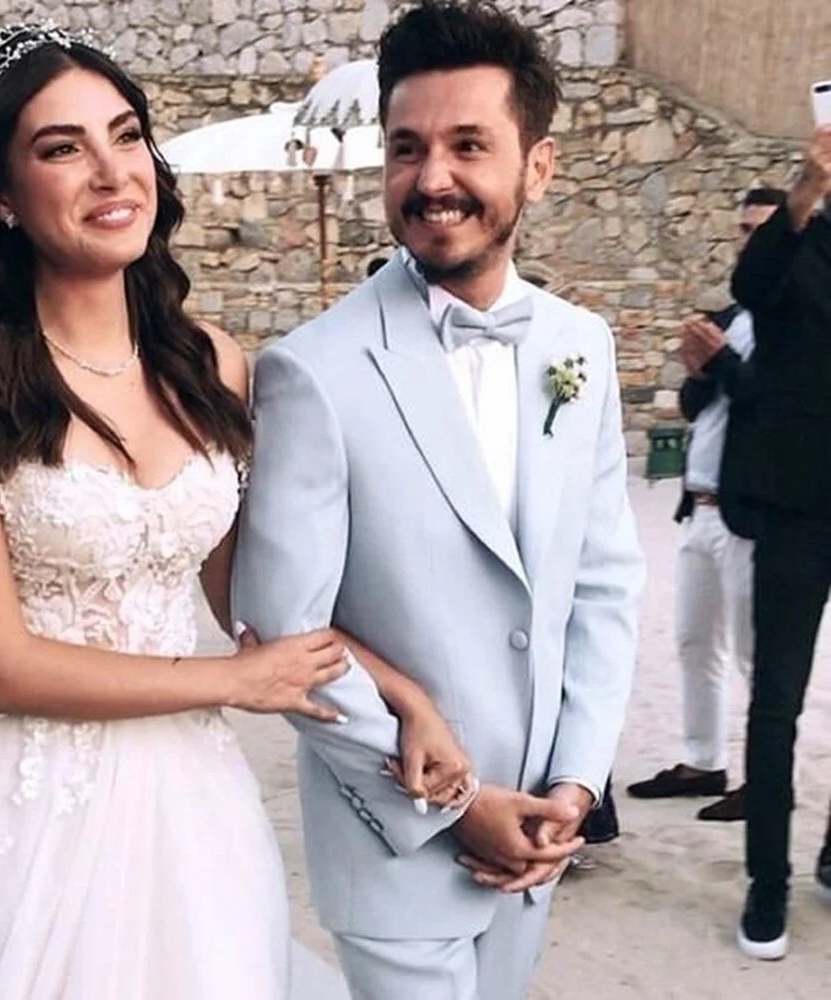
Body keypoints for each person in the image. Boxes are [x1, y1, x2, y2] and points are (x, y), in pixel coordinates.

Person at [0, 24, 460, 998]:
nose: (110, 171)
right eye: (61, 148)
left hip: (189, 814)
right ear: (1, 195)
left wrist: (404, 695)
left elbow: (255, 602)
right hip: (12, 814)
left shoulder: (211, 363)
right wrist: (231, 681)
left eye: (125, 135)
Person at [233, 3, 644, 997]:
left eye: (468, 145)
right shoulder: (312, 370)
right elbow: (284, 631)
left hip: (539, 837)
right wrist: (458, 804)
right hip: (396, 847)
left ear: (537, 168)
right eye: (406, 148)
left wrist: (574, 785)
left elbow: (601, 586)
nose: (431, 178)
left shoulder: (580, 346)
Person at [626, 188, 785, 823]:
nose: (748, 241)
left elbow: (778, 409)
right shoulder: (733, 314)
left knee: (756, 653)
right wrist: (698, 372)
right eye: (743, 229)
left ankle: (764, 780)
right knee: (695, 641)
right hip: (700, 505)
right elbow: (701, 410)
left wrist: (721, 362)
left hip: (755, 513)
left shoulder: (798, 320)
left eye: (761, 230)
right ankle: (702, 761)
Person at [729, 126, 831, 960]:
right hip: (800, 507)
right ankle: (768, 880)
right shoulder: (797, 240)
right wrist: (802, 193)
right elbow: (750, 285)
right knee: (776, 705)